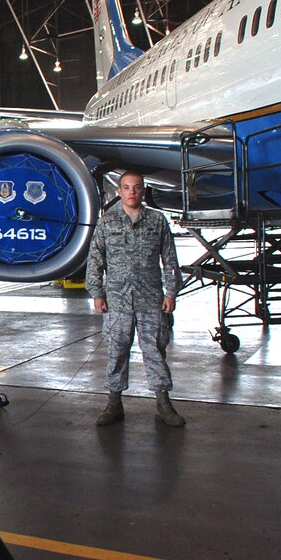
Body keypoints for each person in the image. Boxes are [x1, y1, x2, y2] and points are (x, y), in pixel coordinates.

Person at [84, 170, 185, 427]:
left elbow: (170, 259)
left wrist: (171, 292)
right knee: (117, 351)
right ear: (119, 191)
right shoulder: (108, 223)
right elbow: (96, 259)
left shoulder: (157, 220)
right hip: (117, 300)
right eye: (127, 187)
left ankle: (163, 403)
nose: (132, 192)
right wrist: (97, 293)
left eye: (137, 187)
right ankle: (114, 402)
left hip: (151, 298)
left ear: (143, 191)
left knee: (154, 351)